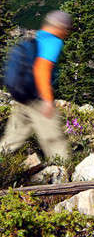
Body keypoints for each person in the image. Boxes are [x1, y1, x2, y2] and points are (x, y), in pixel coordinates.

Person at [0, 10, 72, 161]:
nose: (67, 33)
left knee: (12, 138)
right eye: (67, 29)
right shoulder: (53, 41)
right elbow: (41, 69)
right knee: (54, 140)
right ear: (60, 27)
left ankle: (2, 160)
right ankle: (65, 172)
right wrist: (47, 100)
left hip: (22, 96)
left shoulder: (37, 38)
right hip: (37, 99)